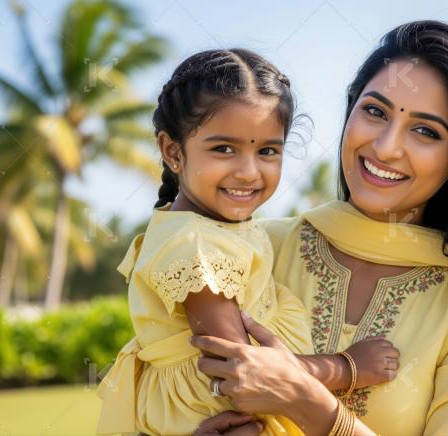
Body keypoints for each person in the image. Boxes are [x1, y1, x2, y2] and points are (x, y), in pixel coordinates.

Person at [192, 21, 448, 436]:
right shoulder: (250, 248)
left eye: (425, 131)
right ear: (350, 112)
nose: (386, 147)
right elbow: (169, 387)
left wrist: (306, 400)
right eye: (375, 112)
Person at [96, 48, 400, 436]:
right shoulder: (194, 248)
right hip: (225, 417)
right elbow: (244, 371)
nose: (248, 172)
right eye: (224, 149)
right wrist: (346, 368)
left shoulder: (221, 229)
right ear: (173, 152)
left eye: (267, 151)